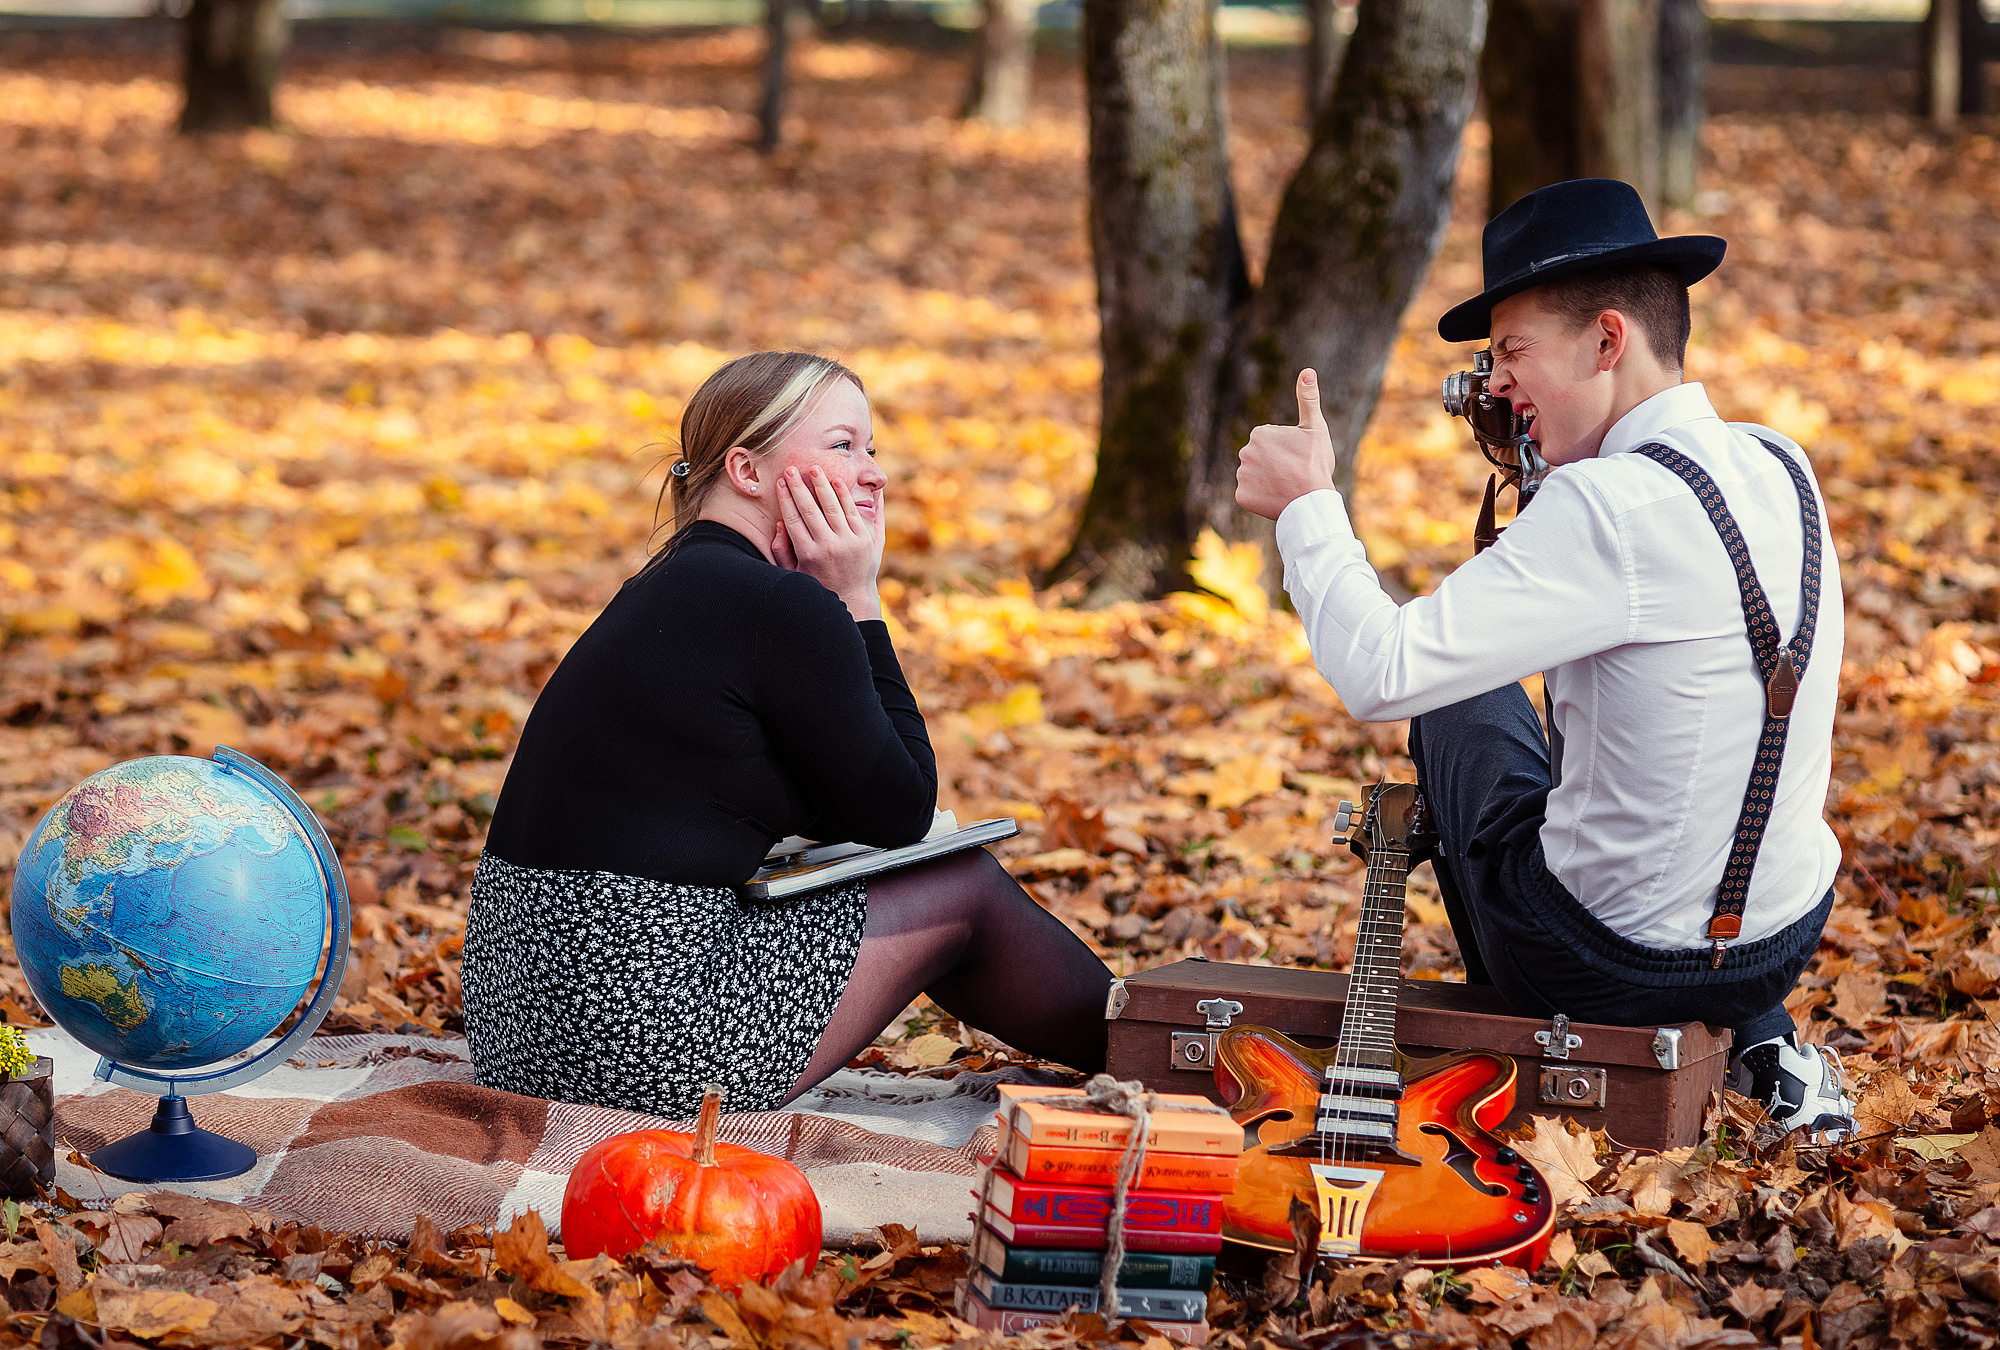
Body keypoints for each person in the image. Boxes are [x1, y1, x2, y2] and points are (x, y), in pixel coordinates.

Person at [1233, 179, 1854, 1141]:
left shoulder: (1604, 506)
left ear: (1608, 341)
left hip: (1602, 968)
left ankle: (1530, 1028)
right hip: (1782, 940)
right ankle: (1763, 1041)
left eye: (1514, 351)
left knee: (1452, 700)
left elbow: (1385, 673)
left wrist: (1310, 508)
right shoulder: (1780, 461)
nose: (1499, 383)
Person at [463, 351, 1112, 1118]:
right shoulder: (779, 604)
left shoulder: (671, 585)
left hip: (522, 1034)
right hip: (638, 1046)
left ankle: (1162, 1045)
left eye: (872, 450)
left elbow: (833, 806)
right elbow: (902, 811)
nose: (873, 474)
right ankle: (1180, 1060)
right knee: (958, 885)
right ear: (746, 471)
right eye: (844, 446)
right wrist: (858, 595)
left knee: (900, 874)